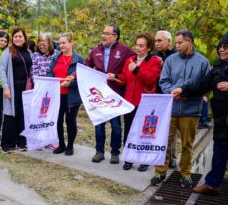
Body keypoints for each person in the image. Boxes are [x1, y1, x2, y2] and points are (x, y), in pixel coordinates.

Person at [171, 29, 228, 202]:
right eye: (220, 47)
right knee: (219, 151)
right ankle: (212, 185)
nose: (221, 50)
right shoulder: (219, 65)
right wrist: (183, 90)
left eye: (226, 47)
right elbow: (202, 84)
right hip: (222, 118)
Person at [151, 30, 211, 188]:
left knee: (187, 144)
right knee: (164, 142)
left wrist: (188, 94)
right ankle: (160, 172)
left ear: (190, 41)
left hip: (191, 110)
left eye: (180, 43)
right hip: (170, 108)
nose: (176, 46)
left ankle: (185, 173)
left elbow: (206, 85)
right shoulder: (170, 60)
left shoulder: (203, 62)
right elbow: (163, 81)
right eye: (175, 43)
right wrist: (172, 91)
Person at [107, 32, 162, 171]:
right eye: (137, 45)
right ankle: (129, 158)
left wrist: (137, 69)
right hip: (130, 101)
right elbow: (125, 79)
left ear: (148, 48)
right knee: (130, 130)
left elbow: (151, 80)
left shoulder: (154, 61)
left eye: (141, 46)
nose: (137, 48)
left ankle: (144, 160)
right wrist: (115, 77)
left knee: (144, 132)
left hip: (146, 103)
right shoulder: (130, 60)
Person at [84, 24, 134, 164]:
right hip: (100, 95)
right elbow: (85, 66)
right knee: (99, 124)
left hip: (115, 94)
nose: (103, 36)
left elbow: (132, 66)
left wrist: (117, 76)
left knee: (116, 126)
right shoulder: (96, 50)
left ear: (115, 36)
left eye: (107, 33)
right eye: (103, 32)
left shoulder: (125, 50)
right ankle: (99, 152)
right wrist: (74, 76)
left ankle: (115, 153)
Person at [47, 33, 84, 156]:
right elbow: (49, 73)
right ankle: (61, 144)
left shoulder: (79, 59)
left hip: (71, 95)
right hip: (57, 95)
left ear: (71, 42)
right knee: (57, 121)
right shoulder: (56, 58)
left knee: (70, 121)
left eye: (64, 42)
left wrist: (70, 84)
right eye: (60, 43)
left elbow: (83, 79)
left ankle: (70, 146)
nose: (61, 45)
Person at [0, 27, 32, 153]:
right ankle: (7, 144)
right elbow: (2, 70)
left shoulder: (28, 51)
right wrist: (6, 87)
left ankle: (22, 142)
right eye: (16, 36)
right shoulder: (8, 52)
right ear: (12, 38)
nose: (18, 38)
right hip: (12, 88)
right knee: (10, 115)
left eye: (20, 36)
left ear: (24, 38)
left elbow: (31, 69)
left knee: (23, 115)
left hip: (26, 88)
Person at [153, 30, 178, 169]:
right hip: (157, 96)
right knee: (155, 128)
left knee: (171, 129)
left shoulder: (176, 56)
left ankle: (172, 157)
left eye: (159, 41)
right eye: (155, 41)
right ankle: (158, 156)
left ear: (169, 41)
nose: (156, 43)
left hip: (172, 96)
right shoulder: (154, 56)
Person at [31, 34, 60, 150]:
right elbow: (34, 73)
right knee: (41, 115)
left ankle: (51, 139)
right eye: (40, 43)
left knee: (52, 116)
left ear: (50, 44)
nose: (41, 45)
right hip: (41, 90)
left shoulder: (57, 54)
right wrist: (40, 88)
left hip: (54, 91)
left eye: (44, 43)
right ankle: (40, 140)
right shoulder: (35, 56)